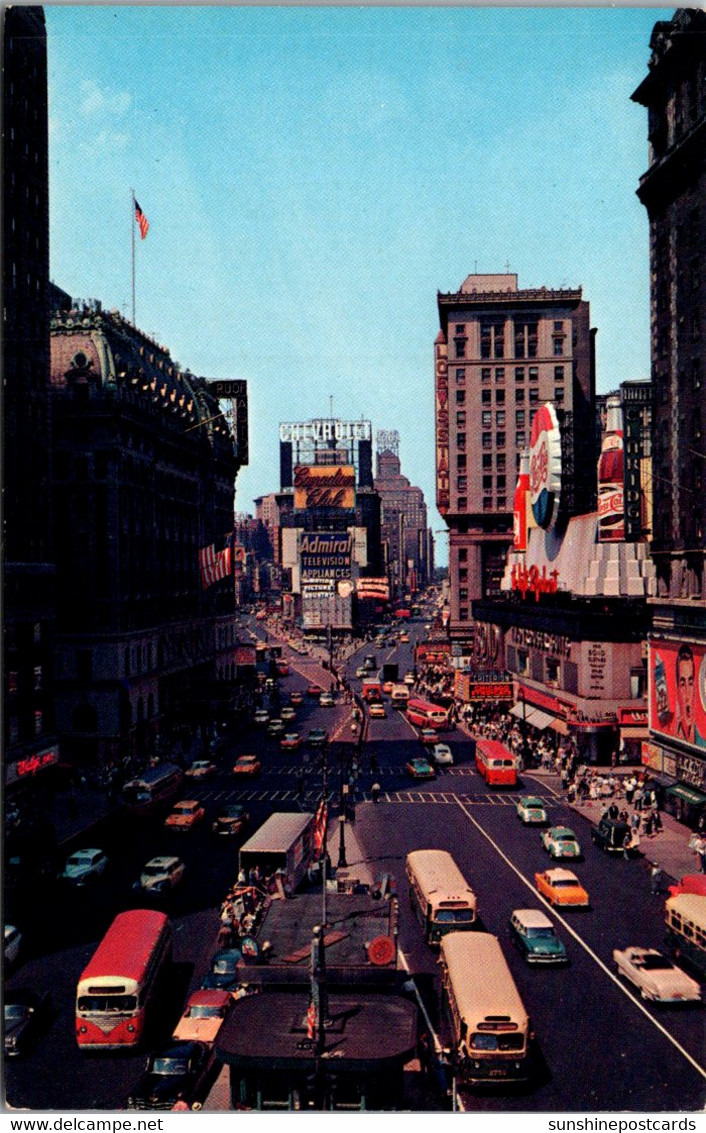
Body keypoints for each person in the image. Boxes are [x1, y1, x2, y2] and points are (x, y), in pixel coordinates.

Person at [674, 644, 706, 747]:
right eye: (683, 684)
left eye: (691, 683)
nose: (687, 694)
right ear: (677, 689)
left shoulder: (703, 745)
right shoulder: (673, 738)